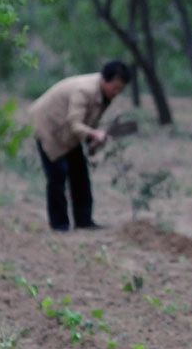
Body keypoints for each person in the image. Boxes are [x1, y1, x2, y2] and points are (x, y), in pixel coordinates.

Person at [30, 60, 132, 231]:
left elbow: (88, 120)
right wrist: (94, 134)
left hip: (68, 133)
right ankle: (59, 225)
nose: (117, 93)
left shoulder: (105, 94)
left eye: (120, 89)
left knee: (80, 174)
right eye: (115, 88)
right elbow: (75, 124)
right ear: (105, 80)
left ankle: (84, 221)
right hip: (49, 128)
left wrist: (93, 141)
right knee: (57, 176)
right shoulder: (85, 90)